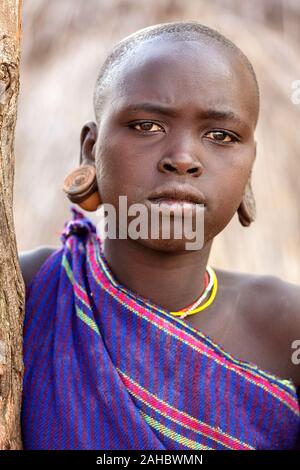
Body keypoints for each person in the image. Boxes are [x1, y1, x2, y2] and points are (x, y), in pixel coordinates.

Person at [19, 21, 300, 450]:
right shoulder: (27, 291)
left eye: (221, 135)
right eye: (148, 126)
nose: (183, 158)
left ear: (249, 169)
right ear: (90, 150)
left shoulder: (287, 327)